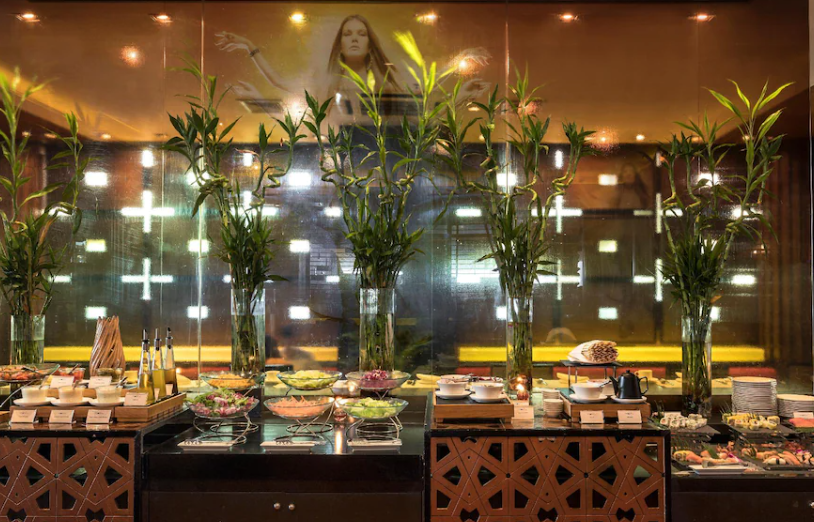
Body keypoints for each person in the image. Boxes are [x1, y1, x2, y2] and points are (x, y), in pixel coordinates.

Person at [216, 14, 488, 117]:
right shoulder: (326, 81)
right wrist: (250, 47)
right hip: (346, 158)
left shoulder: (389, 78)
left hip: (389, 156)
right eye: (348, 34)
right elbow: (279, 81)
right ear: (340, 43)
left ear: (370, 44)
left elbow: (425, 87)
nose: (354, 38)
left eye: (361, 34)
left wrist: (458, 62)